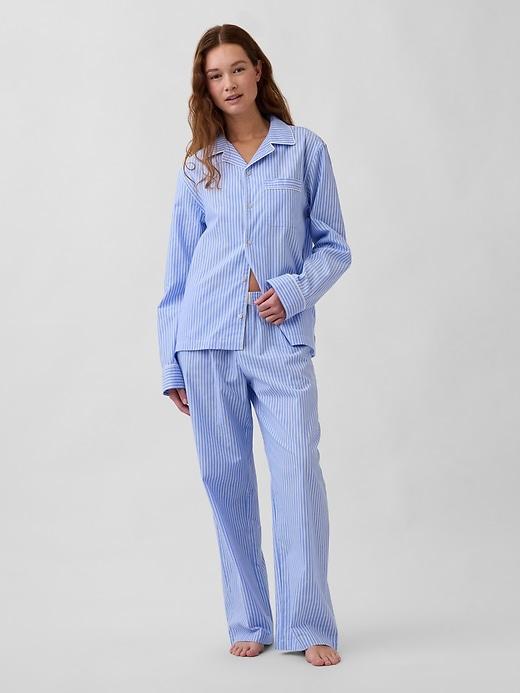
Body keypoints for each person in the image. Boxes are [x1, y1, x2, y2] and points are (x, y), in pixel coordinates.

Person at [157, 23, 352, 667]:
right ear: (205, 88)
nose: (229, 83)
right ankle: (248, 617)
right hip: (206, 343)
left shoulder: (304, 151)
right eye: (215, 75)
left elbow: (335, 247)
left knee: (298, 478)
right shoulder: (199, 166)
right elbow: (178, 275)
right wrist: (171, 362)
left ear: (258, 70)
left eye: (237, 69)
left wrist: (290, 292)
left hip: (279, 342)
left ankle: (308, 622)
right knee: (227, 484)